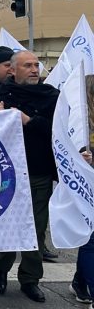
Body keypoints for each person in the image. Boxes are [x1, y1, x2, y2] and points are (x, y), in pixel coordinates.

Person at [0, 50, 58, 303]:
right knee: (9, 225)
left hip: (38, 172)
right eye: (27, 65)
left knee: (36, 230)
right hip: (7, 174)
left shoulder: (51, 95)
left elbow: (57, 129)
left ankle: (30, 279)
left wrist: (29, 120)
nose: (33, 69)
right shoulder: (1, 95)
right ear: (13, 70)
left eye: (36, 65)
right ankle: (1, 268)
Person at [70, 74, 94, 304]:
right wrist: (80, 157)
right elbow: (66, 147)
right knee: (91, 240)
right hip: (88, 183)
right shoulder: (80, 120)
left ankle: (80, 280)